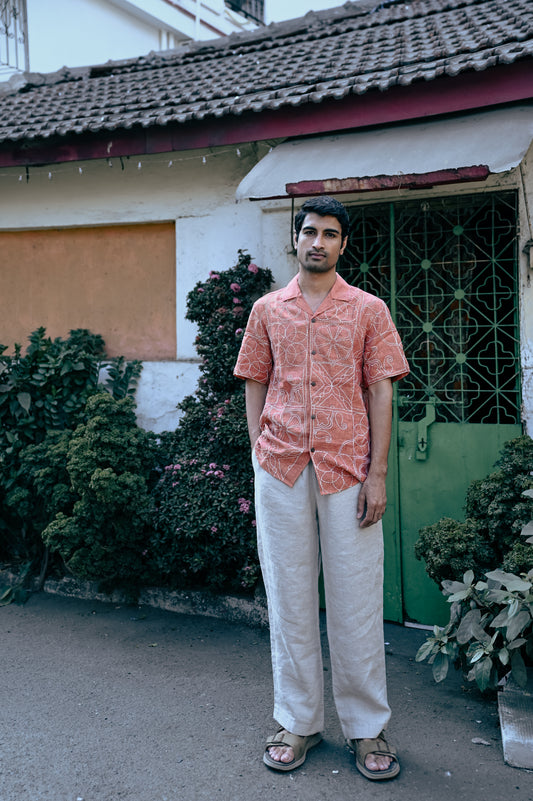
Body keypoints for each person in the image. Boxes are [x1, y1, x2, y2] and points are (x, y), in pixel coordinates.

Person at [234, 195, 409, 781]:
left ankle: (366, 728)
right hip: (281, 467)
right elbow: (255, 379)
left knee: (357, 600)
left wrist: (378, 474)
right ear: (295, 238)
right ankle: (298, 720)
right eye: (309, 231)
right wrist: (259, 449)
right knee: (288, 596)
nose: (318, 242)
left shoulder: (368, 310)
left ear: (342, 244)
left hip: (348, 469)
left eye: (330, 234)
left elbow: (382, 391)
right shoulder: (266, 310)